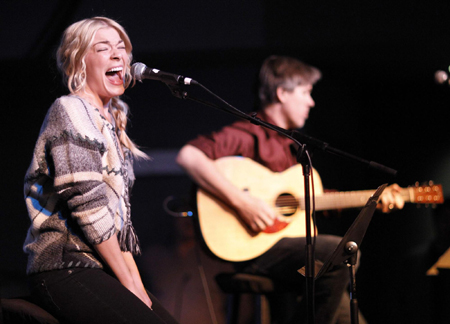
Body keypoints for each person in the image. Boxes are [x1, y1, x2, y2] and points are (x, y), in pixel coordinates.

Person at [176, 55, 405, 323]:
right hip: (255, 252)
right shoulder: (248, 133)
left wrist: (373, 200)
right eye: (306, 92)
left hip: (293, 262)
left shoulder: (292, 147)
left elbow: (309, 201)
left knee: (338, 295)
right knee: (343, 251)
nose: (312, 102)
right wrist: (242, 202)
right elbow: (189, 156)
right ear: (282, 93)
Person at [23, 17, 179, 324]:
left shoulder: (109, 120)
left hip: (99, 266)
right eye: (103, 48)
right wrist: (132, 285)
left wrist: (138, 288)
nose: (118, 56)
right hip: (64, 264)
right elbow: (89, 206)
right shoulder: (70, 110)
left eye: (122, 48)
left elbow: (117, 226)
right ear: (80, 61)